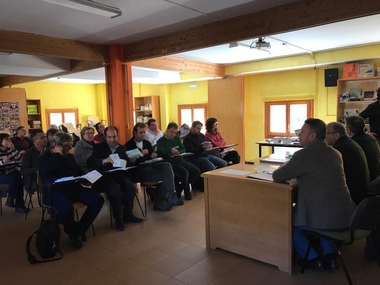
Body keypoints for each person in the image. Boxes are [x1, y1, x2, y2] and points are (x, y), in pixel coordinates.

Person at [272, 118, 356, 271]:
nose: (299, 135)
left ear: (313, 136)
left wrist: (285, 166)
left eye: (302, 132)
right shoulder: (336, 153)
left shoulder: (303, 155)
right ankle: (330, 257)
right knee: (324, 217)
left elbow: (277, 176)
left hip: (322, 216)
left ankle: (312, 258)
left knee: (286, 221)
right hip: (345, 213)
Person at [38, 132, 104, 248]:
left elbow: (78, 173)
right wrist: (57, 155)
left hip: (74, 188)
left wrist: (88, 177)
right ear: (57, 145)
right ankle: (73, 233)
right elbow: (46, 172)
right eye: (67, 145)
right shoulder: (44, 158)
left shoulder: (69, 157)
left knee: (97, 199)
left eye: (70, 145)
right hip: (55, 191)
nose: (70, 147)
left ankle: (78, 231)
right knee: (65, 208)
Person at [87, 126, 143, 231]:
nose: (112, 140)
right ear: (105, 137)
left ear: (117, 136)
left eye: (114, 137)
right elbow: (90, 161)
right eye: (109, 137)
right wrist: (103, 161)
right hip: (104, 177)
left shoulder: (122, 148)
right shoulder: (99, 147)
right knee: (115, 188)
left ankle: (128, 214)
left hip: (119, 175)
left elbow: (126, 164)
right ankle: (118, 218)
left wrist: (131, 161)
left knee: (130, 187)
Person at [125, 123, 183, 211]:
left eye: (144, 132)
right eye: (141, 132)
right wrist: (139, 154)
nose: (143, 134)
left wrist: (154, 154)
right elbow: (128, 162)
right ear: (134, 132)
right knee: (167, 176)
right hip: (138, 170)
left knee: (166, 165)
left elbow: (151, 155)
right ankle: (160, 201)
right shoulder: (128, 145)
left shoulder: (147, 143)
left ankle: (171, 195)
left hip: (150, 166)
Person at [325, 122, 370, 205]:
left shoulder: (339, 149)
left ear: (336, 135)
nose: (324, 137)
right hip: (362, 195)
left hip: (352, 198)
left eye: (327, 133)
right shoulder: (350, 143)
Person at [157, 122, 200, 200]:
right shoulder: (160, 141)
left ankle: (180, 188)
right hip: (170, 162)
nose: (173, 134)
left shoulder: (177, 138)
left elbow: (183, 148)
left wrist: (179, 152)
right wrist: (170, 150)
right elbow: (160, 152)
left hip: (180, 159)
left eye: (175, 132)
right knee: (184, 172)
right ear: (167, 130)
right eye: (171, 132)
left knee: (196, 171)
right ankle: (186, 191)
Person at [183, 121, 227, 190]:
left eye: (200, 129)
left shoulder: (201, 136)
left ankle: (218, 182)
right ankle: (210, 184)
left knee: (223, 163)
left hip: (206, 155)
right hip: (196, 158)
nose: (199, 130)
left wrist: (209, 146)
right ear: (192, 128)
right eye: (197, 128)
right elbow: (191, 151)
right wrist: (202, 148)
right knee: (211, 167)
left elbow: (205, 147)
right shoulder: (187, 138)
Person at [345, 115, 380, 181]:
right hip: (376, 179)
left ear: (348, 130)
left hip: (367, 182)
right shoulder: (371, 138)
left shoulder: (353, 144)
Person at [0, 133, 29, 213]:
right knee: (17, 178)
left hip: (12, 173)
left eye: (9, 139)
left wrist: (13, 149)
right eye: (6, 139)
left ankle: (11, 198)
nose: (9, 141)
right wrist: (2, 162)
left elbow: (19, 160)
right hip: (2, 174)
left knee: (17, 177)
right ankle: (18, 204)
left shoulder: (10, 149)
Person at [20, 129, 48, 196]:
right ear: (35, 141)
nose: (45, 139)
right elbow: (23, 171)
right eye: (42, 138)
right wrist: (38, 169)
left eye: (45, 137)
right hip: (35, 179)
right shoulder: (28, 154)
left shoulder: (50, 150)